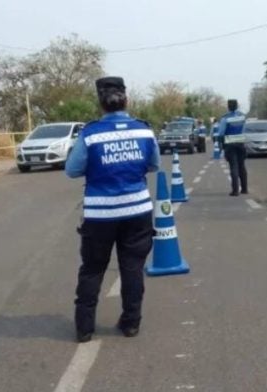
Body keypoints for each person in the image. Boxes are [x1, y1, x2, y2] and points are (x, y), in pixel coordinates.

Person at [65, 76, 160, 343]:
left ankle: (84, 329)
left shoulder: (91, 133)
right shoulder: (144, 130)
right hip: (137, 212)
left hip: (99, 215)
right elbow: (154, 165)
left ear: (100, 102)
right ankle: (131, 323)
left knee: (93, 270)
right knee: (132, 268)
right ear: (125, 99)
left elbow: (72, 170)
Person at [216, 99, 248, 196]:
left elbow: (221, 133)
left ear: (228, 106)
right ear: (237, 106)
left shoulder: (225, 118)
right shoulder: (242, 116)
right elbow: (245, 130)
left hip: (230, 144)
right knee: (242, 166)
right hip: (241, 143)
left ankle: (235, 191)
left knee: (234, 166)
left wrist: (220, 144)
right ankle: (244, 189)